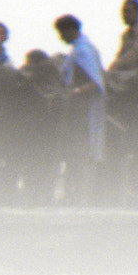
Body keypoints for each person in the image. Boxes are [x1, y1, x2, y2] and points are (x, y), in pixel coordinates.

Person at [54, 12, 106, 193]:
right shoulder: (79, 49)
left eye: (62, 33)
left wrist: (75, 92)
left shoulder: (83, 50)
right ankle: (71, 193)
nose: (60, 37)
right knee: (73, 153)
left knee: (82, 153)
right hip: (76, 111)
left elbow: (95, 82)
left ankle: (81, 195)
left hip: (83, 111)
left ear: (70, 30)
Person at [110, 0, 138, 72]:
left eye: (128, 12)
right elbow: (121, 55)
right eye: (123, 12)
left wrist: (115, 66)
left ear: (137, 13)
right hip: (132, 74)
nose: (124, 15)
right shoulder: (127, 34)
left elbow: (133, 55)